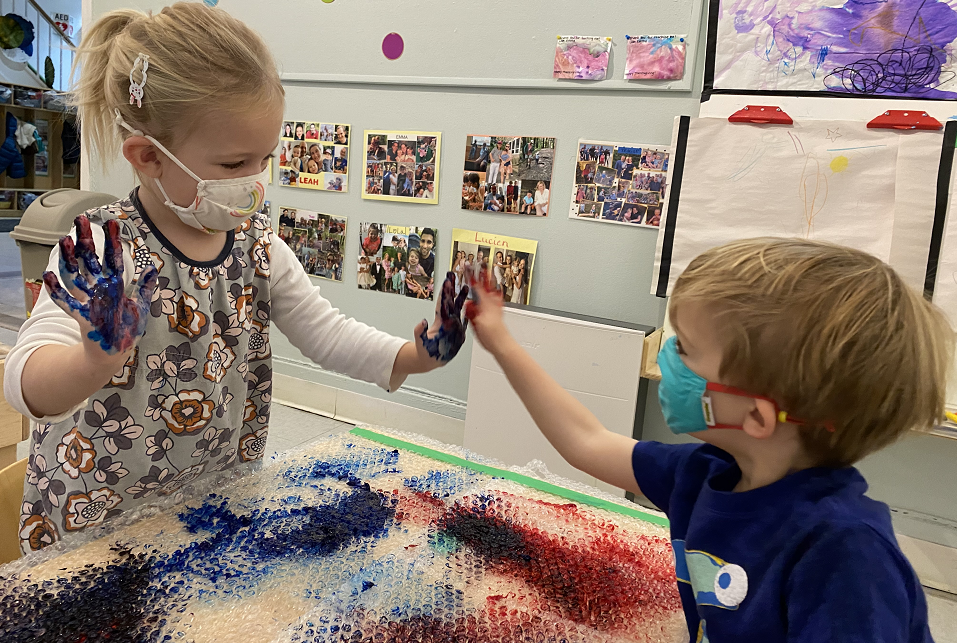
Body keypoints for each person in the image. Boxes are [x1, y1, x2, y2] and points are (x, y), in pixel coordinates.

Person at [3, 3, 467, 553]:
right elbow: (24, 384)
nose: (253, 183)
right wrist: (93, 360)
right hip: (95, 524)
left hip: (208, 515)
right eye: (232, 165)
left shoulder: (259, 246)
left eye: (263, 160)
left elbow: (329, 334)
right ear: (148, 156)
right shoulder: (101, 253)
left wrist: (414, 357)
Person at [467, 237, 952, 643]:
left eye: (685, 348)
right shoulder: (707, 472)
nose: (668, 357)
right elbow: (585, 440)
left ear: (758, 416)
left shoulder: (847, 556)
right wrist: (501, 341)